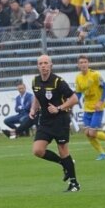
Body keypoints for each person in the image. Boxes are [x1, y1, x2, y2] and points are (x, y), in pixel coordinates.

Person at [29, 55, 81, 192]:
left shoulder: (58, 81)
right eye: (40, 63)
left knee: (63, 150)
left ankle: (74, 183)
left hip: (60, 120)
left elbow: (74, 99)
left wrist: (59, 108)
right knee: (37, 150)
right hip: (45, 121)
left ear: (51, 65)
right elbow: (36, 96)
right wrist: (33, 109)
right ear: (37, 66)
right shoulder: (35, 81)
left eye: (46, 63)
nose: (43, 66)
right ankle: (63, 164)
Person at [75, 55, 105, 160]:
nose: (83, 64)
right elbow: (78, 94)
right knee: (87, 133)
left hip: (97, 108)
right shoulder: (78, 78)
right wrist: (71, 102)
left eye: (85, 62)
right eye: (81, 62)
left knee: (92, 132)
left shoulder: (95, 75)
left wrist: (100, 102)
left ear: (88, 63)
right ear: (78, 65)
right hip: (87, 108)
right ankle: (102, 154)